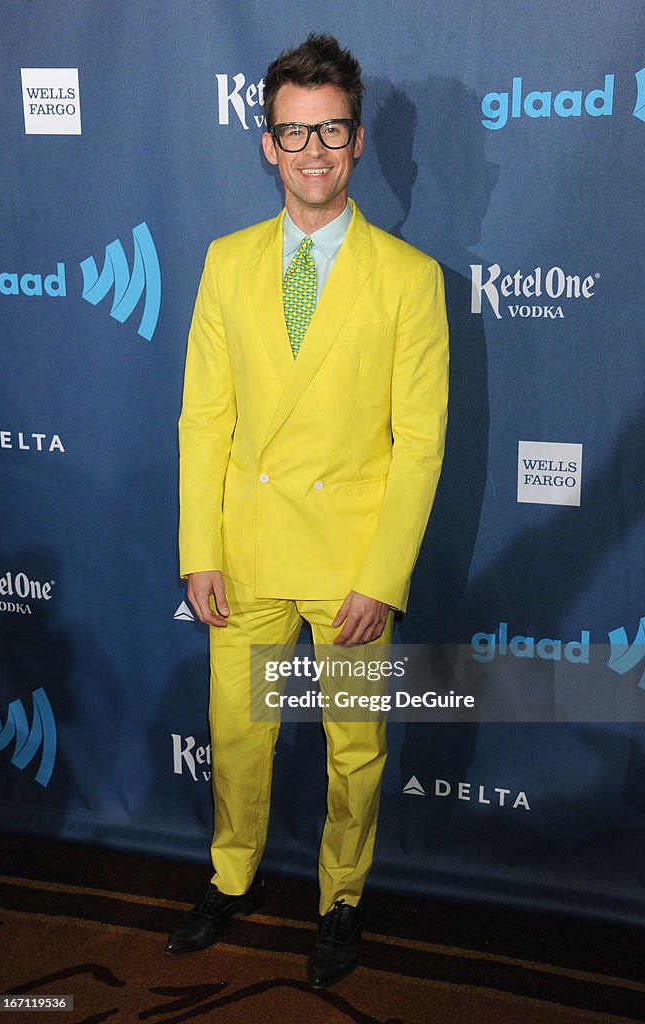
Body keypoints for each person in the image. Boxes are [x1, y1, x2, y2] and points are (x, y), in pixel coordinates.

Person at [166, 33, 449, 988]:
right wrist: (199, 549)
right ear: (267, 144)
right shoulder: (226, 263)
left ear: (359, 139)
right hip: (243, 556)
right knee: (237, 732)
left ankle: (341, 899)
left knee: (354, 750)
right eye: (295, 132)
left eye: (330, 129)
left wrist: (383, 576)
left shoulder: (411, 281)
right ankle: (230, 874)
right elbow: (203, 419)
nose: (313, 151)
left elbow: (420, 446)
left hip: (351, 565)